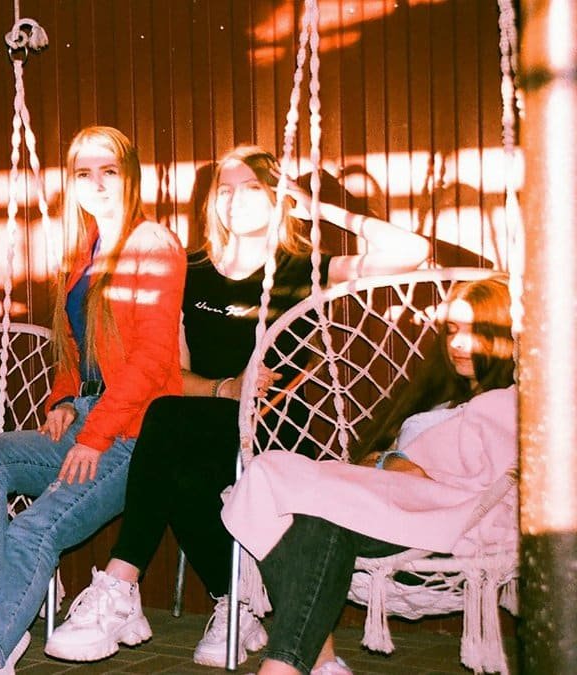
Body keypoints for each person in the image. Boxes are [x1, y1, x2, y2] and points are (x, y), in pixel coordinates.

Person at [42, 144, 430, 668]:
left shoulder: (298, 268)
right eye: (224, 190)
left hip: (278, 426)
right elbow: (170, 373)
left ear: (278, 198)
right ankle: (233, 603)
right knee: (173, 451)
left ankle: (123, 581)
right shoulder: (193, 269)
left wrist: (318, 208)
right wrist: (228, 386)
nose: (234, 201)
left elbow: (410, 250)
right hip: (202, 415)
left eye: (252, 188)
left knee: (167, 432)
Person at [0, 125, 188, 675]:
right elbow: (74, 343)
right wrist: (65, 397)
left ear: (131, 176)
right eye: (83, 174)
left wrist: (95, 435)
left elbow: (149, 358)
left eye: (108, 171)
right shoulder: (85, 249)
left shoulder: (154, 246)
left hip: (135, 432)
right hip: (89, 417)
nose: (95, 184)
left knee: (33, 527)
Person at [220, 276, 517, 675]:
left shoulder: (507, 403)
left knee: (307, 504)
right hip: (388, 503)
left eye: (475, 332)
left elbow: (487, 479)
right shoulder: (443, 397)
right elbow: (390, 461)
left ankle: (287, 666)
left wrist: (401, 467)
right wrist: (386, 463)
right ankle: (319, 663)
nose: (458, 344)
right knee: (289, 492)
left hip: (439, 517)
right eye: (452, 330)